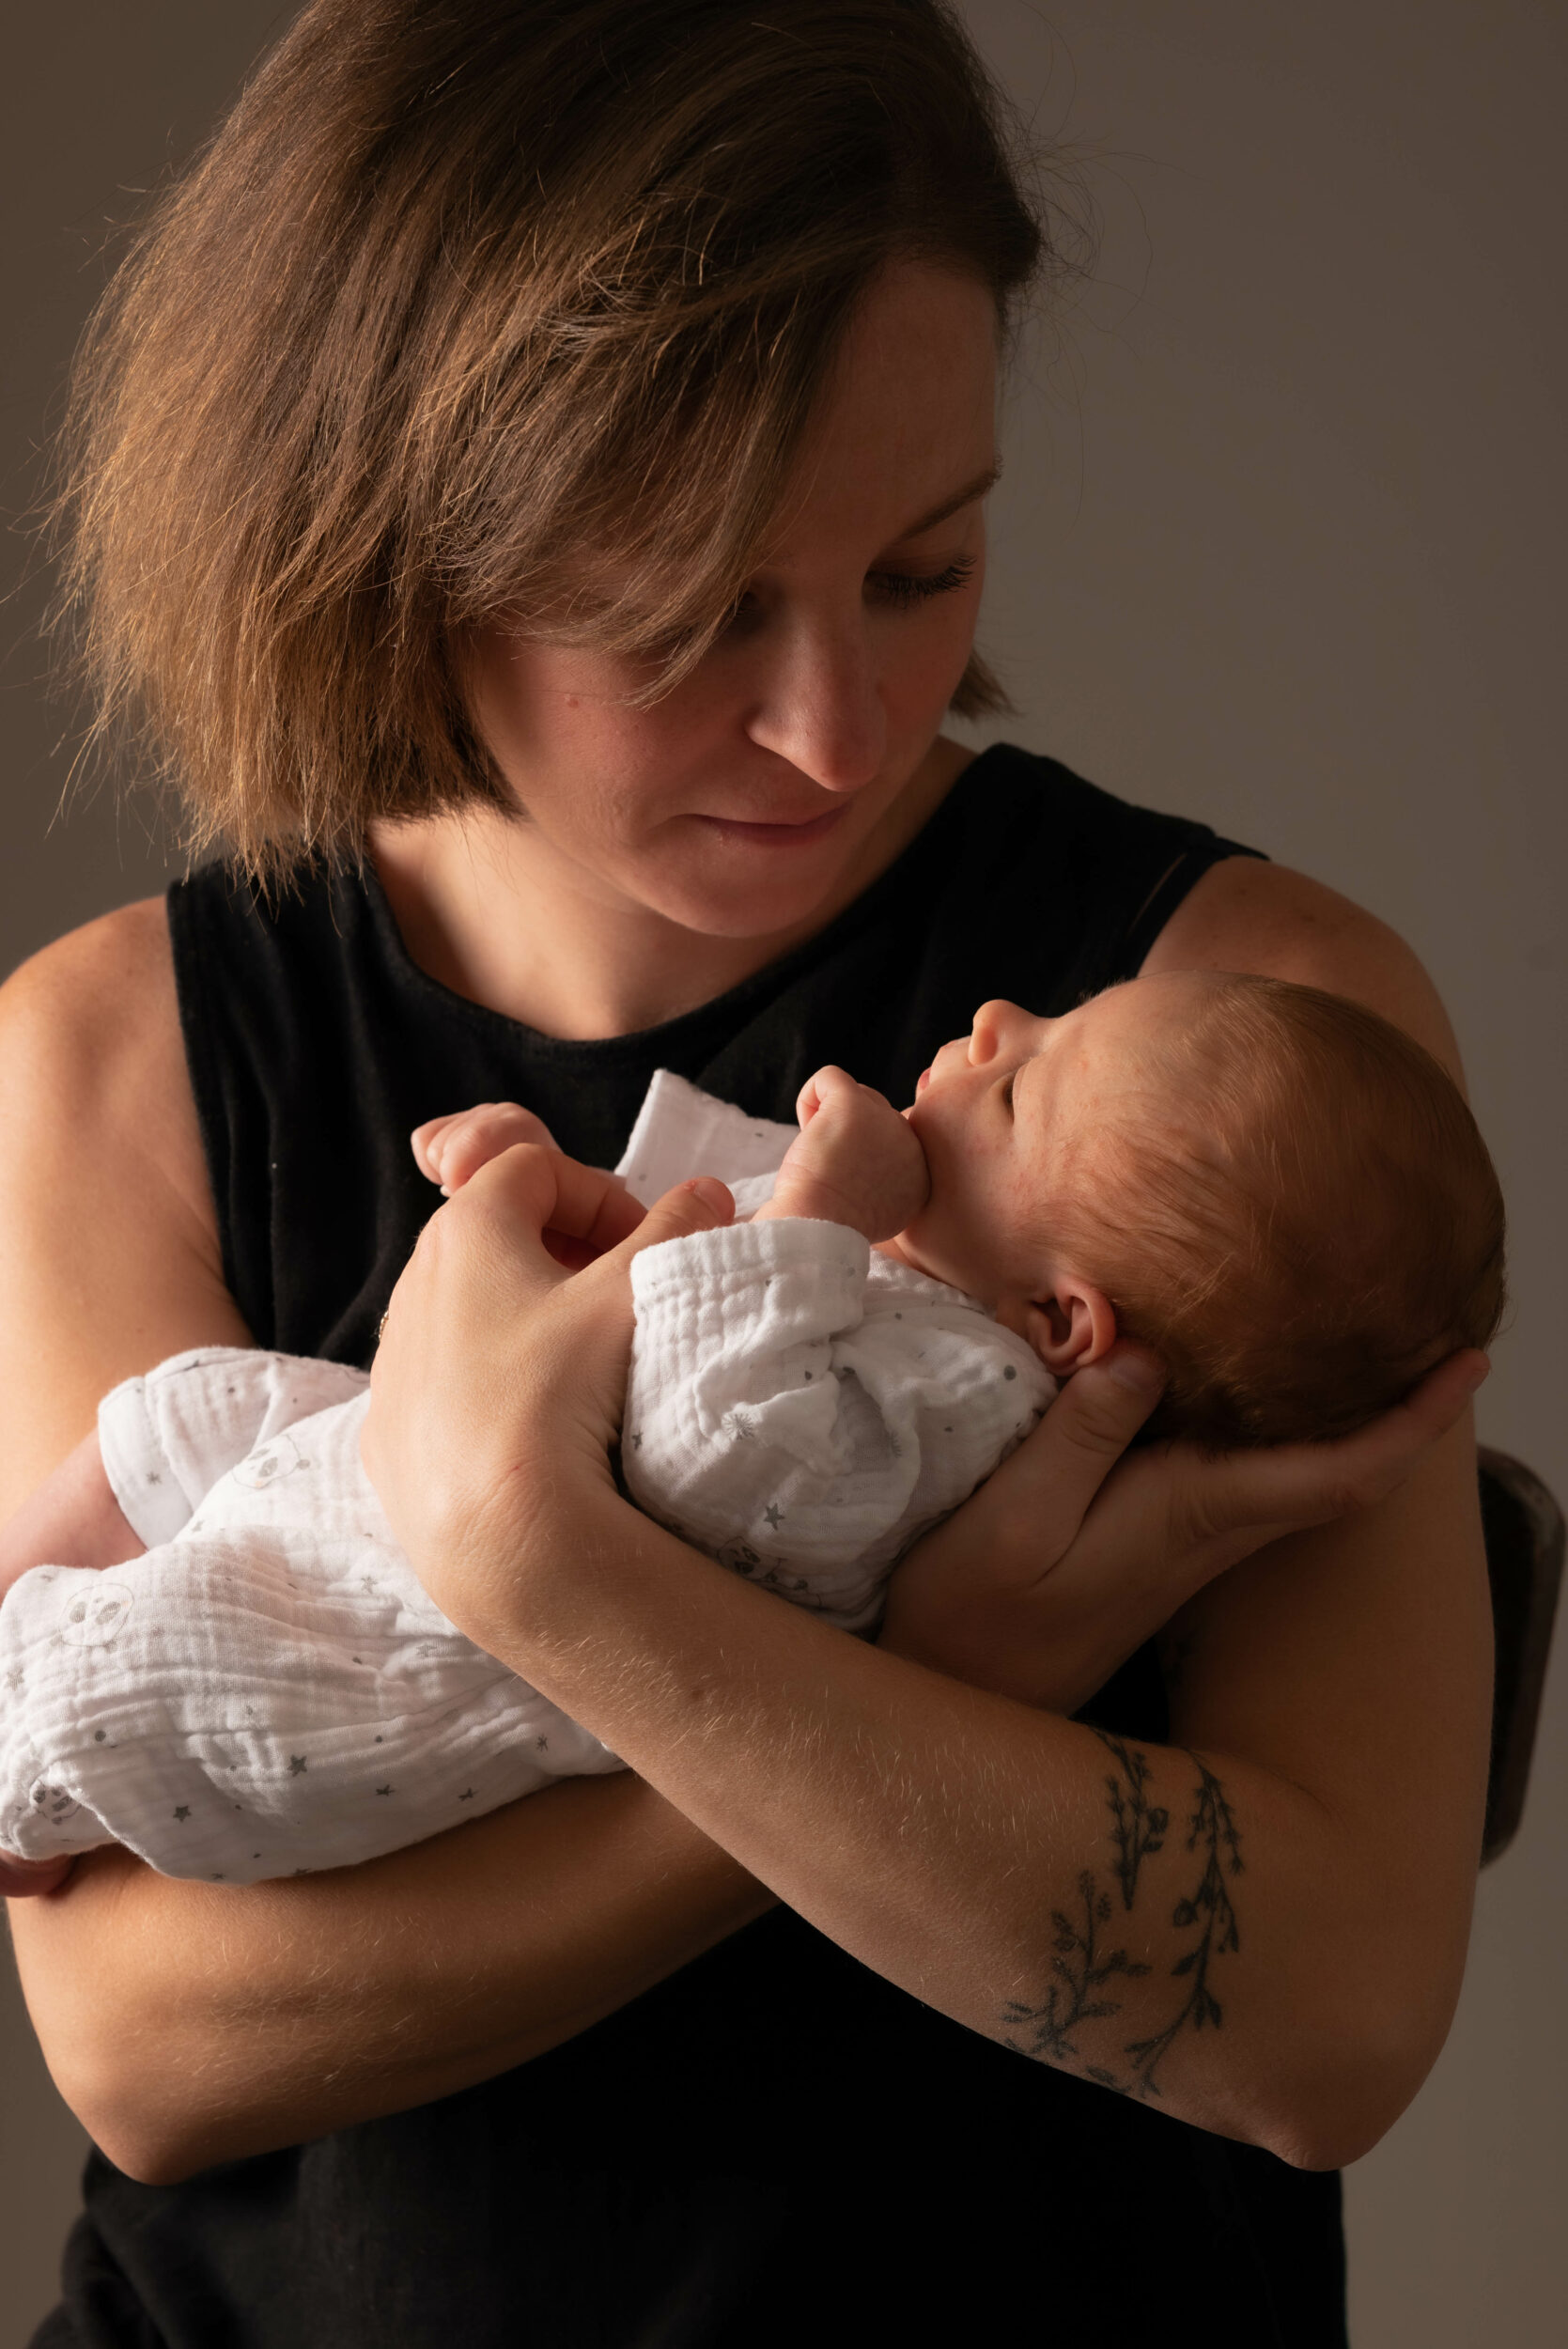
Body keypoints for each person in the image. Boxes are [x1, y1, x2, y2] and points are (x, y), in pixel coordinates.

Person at [0, 4, 1495, 2342]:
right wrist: (935, 1667)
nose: (836, 724)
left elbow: (1325, 2025)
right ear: (395, 535)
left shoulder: (1238, 1034)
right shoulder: (109, 1059)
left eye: (922, 568)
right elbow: (152, 2038)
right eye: (695, 608)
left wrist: (557, 1571)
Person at [0, 970, 1504, 1890]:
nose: (992, 1023)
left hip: (379, 1644)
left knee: (115, 1680)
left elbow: (706, 1439)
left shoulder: (960, 1408)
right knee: (180, 1410)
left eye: (1026, 1083)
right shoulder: (921, 1315)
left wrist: (826, 1211)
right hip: (372, 1473)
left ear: (1063, 1327)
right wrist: (564, 1203)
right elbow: (656, 1311)